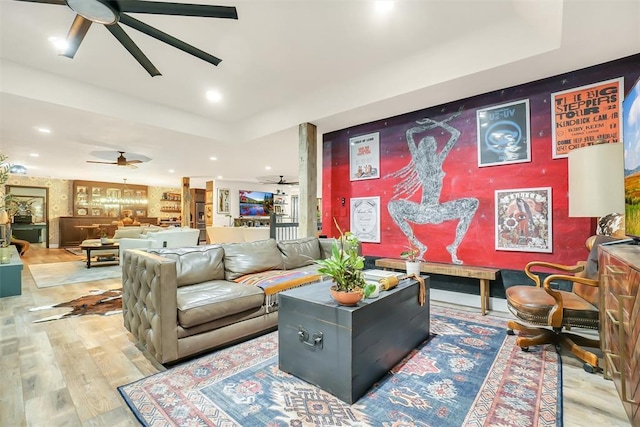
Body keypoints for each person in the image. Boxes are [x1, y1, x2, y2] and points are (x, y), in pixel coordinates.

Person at [387, 113, 478, 264]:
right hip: (424, 211)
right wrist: (434, 123)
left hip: (437, 210)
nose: (432, 148)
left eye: (433, 146)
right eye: (429, 146)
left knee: (472, 203)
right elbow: (409, 133)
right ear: (424, 149)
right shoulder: (420, 162)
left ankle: (453, 247)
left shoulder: (438, 159)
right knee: (393, 205)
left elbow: (456, 134)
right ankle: (419, 245)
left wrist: (435, 122)